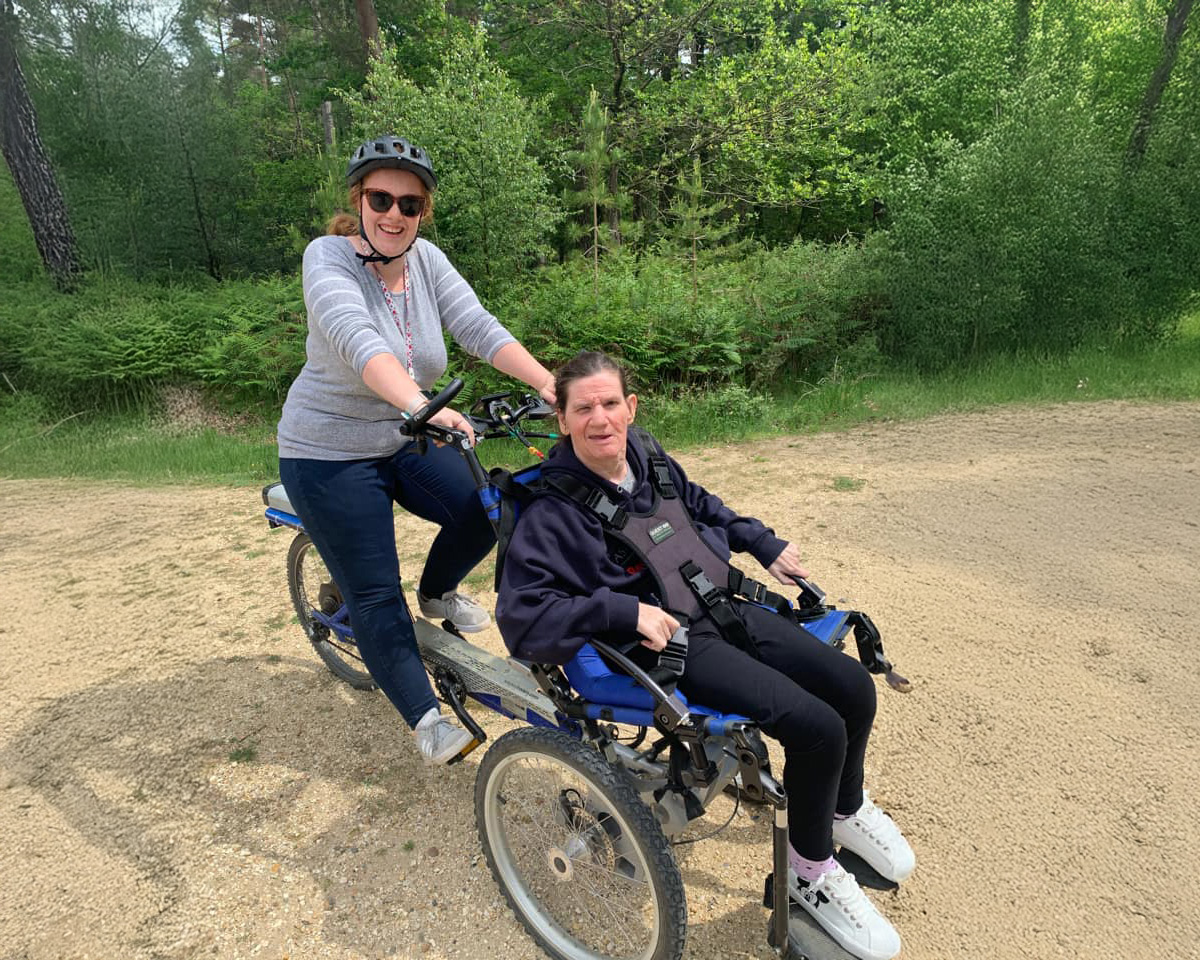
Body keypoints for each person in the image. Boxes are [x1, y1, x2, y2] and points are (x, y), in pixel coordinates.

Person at [495, 351, 914, 960]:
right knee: (818, 728)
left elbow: (698, 503)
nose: (599, 419)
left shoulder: (646, 455)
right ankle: (808, 873)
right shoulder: (552, 514)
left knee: (854, 688)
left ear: (630, 408)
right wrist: (621, 612)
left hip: (720, 606)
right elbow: (522, 618)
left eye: (610, 403)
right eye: (582, 408)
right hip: (671, 647)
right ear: (561, 420)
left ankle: (842, 811)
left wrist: (759, 542)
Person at [277, 134, 556, 764]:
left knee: (489, 507)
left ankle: (437, 592)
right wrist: (418, 404)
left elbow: (478, 326)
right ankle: (426, 718)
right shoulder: (328, 257)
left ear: (423, 212)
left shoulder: (426, 260)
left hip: (406, 434)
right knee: (376, 590)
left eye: (410, 204)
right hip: (328, 449)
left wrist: (549, 385)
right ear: (359, 199)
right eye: (381, 198)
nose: (394, 214)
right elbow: (357, 339)